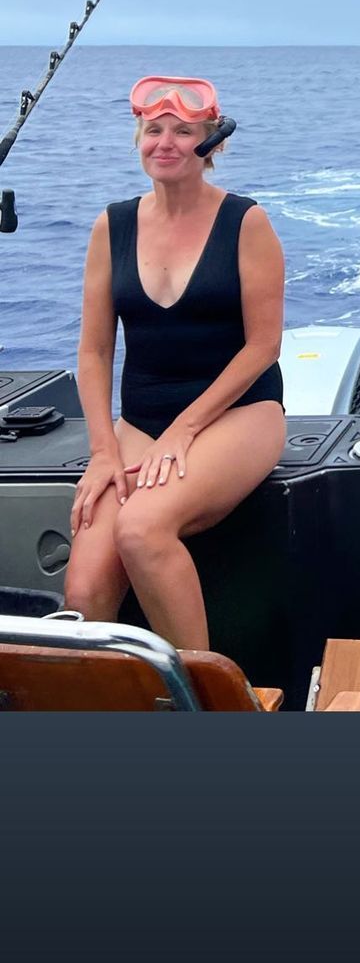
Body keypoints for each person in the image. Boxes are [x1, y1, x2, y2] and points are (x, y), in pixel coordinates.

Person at [65, 75, 286, 651]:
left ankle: (201, 693)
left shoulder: (246, 221)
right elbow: (94, 350)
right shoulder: (112, 225)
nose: (164, 143)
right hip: (142, 422)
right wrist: (103, 451)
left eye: (183, 131)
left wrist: (185, 430)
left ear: (211, 143)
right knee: (84, 589)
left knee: (141, 529)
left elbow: (263, 346)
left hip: (239, 414)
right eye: (153, 130)